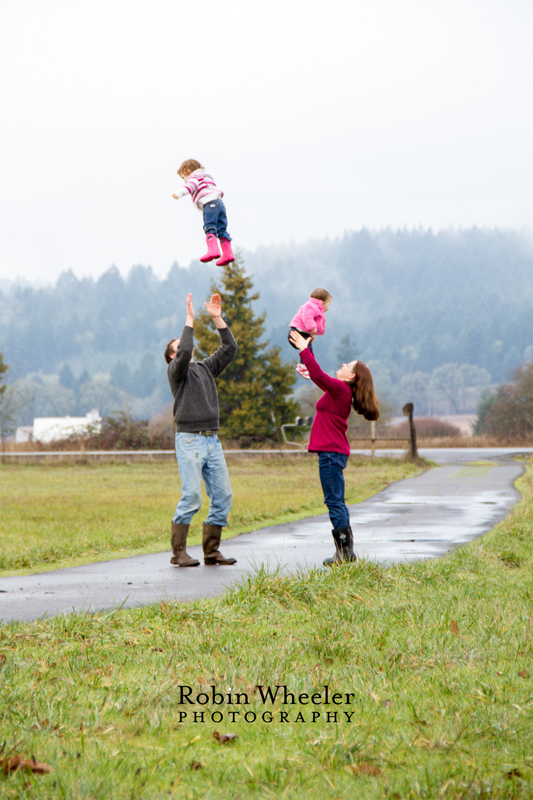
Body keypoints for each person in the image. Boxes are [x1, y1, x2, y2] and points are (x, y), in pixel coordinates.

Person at [289, 330, 379, 565]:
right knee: (337, 501)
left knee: (334, 502)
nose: (342, 364)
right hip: (333, 453)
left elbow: (318, 374)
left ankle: (344, 552)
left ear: (351, 377)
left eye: (347, 365)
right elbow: (316, 375)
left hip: (331, 455)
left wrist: (303, 349)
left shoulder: (340, 390)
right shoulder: (339, 392)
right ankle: (346, 551)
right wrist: (308, 349)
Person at [164, 292, 238, 567]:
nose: (185, 348)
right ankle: (178, 553)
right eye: (179, 346)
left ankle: (211, 551)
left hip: (212, 441)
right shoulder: (176, 372)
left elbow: (230, 350)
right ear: (173, 355)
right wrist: (190, 319)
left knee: (223, 496)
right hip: (190, 441)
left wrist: (217, 318)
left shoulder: (206, 368)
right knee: (192, 496)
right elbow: (184, 351)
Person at [172, 159, 235, 266]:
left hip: (209, 204)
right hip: (220, 204)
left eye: (183, 178)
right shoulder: (206, 176)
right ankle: (228, 254)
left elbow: (190, 186)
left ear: (187, 171)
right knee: (221, 229)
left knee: (210, 227)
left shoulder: (194, 178)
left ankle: (213, 250)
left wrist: (178, 193)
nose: (184, 180)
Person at [288, 288, 332, 380]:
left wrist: (314, 332)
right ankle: (302, 367)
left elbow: (319, 323)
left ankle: (307, 366)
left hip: (303, 333)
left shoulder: (317, 309)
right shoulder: (310, 306)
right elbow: (307, 317)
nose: (329, 307)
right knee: (307, 349)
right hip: (297, 332)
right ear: (323, 303)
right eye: (329, 304)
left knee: (310, 350)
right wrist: (312, 328)